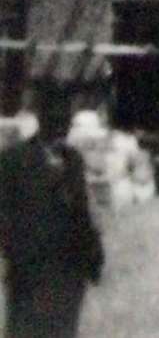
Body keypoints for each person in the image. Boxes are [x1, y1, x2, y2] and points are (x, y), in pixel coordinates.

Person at [0, 86, 104, 338]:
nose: (61, 123)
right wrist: (14, 255)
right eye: (54, 116)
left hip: (68, 270)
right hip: (30, 272)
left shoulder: (73, 160)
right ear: (41, 118)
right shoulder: (13, 160)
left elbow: (81, 211)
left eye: (65, 117)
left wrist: (94, 254)